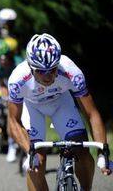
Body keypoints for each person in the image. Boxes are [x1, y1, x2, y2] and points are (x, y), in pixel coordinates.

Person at [7, 33, 112, 191]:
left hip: (61, 103)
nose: (48, 76)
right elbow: (13, 121)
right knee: (37, 162)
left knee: (82, 152)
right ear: (30, 66)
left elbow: (92, 114)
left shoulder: (71, 71)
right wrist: (30, 151)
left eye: (52, 70)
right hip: (32, 107)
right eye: (41, 71)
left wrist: (103, 153)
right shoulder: (18, 79)